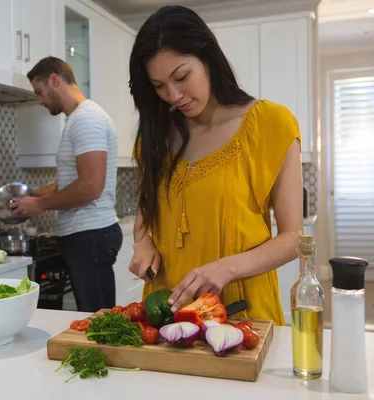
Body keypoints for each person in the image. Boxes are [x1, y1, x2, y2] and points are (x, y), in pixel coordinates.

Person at [127, 6, 303, 325]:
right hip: (167, 315)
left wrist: (227, 268)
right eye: (159, 86)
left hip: (240, 312)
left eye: (181, 77)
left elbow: (294, 239)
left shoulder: (271, 124)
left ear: (208, 57)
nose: (174, 95)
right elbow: (144, 210)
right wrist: (143, 242)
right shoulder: (154, 138)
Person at [9, 56, 122, 313]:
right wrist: (31, 194)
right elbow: (71, 181)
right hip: (89, 234)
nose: (40, 101)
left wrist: (40, 204)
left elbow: (91, 186)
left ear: (54, 80)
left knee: (97, 319)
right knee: (94, 315)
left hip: (90, 234)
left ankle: (102, 355)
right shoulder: (80, 118)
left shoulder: (86, 120)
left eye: (40, 92)